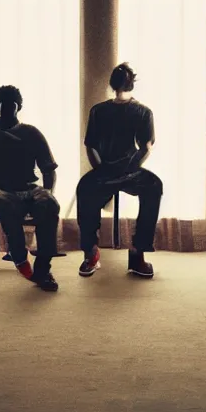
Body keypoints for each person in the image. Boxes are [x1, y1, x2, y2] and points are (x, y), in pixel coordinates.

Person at [76, 63, 163, 278]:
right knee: (84, 189)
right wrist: (103, 171)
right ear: (131, 83)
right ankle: (91, 253)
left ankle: (137, 253)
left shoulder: (142, 112)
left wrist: (125, 169)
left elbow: (145, 147)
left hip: (126, 172)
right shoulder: (99, 111)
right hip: (110, 171)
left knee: (154, 186)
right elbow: (91, 145)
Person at [0, 85, 60, 292]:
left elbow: (49, 169)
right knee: (4, 205)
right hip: (3, 190)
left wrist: (47, 192)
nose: (9, 108)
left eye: (13, 104)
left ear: (19, 106)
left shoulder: (31, 132)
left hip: (30, 188)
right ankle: (20, 258)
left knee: (49, 205)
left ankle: (43, 269)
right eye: (4, 104)